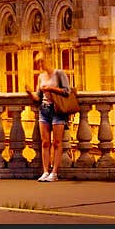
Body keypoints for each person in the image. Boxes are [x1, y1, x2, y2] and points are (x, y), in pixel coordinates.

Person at [25, 53, 70, 182]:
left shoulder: (59, 73)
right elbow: (38, 97)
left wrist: (51, 88)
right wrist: (29, 93)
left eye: (41, 62)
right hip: (44, 110)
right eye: (38, 62)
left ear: (48, 60)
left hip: (57, 109)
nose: (40, 65)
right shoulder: (40, 77)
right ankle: (45, 171)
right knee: (45, 143)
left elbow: (67, 91)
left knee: (57, 142)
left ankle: (54, 173)